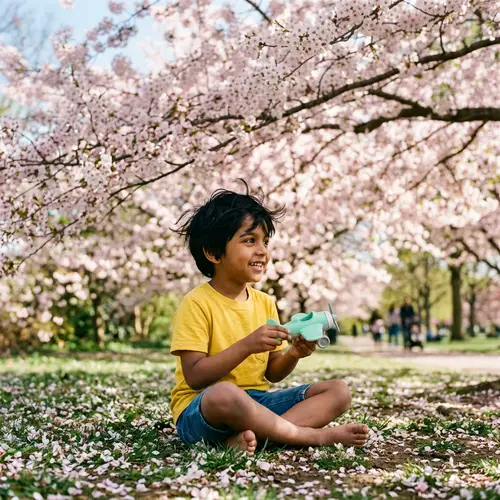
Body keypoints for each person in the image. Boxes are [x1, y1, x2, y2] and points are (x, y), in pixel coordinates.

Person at [170, 185, 369, 453]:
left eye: (265, 241)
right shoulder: (196, 303)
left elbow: (273, 372)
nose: (263, 251)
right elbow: (194, 377)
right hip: (203, 410)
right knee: (225, 393)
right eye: (249, 240)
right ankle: (307, 436)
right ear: (213, 253)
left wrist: (294, 354)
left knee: (339, 391)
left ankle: (252, 439)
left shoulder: (265, 302)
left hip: (258, 404)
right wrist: (247, 345)